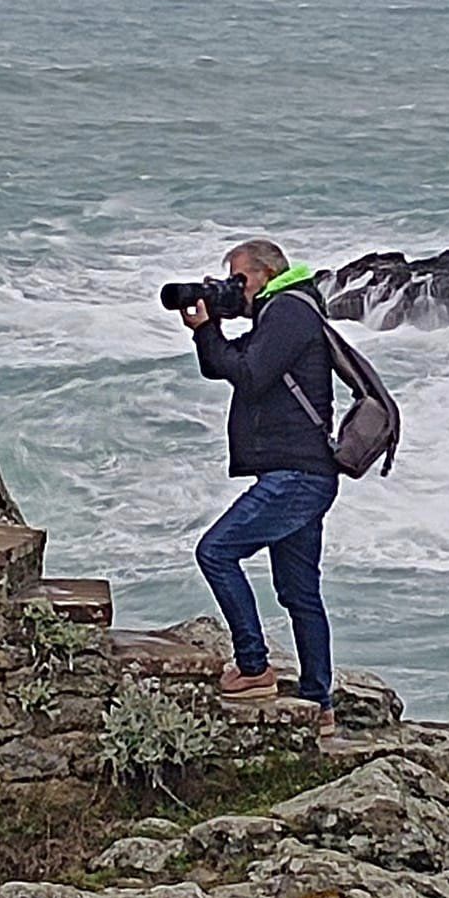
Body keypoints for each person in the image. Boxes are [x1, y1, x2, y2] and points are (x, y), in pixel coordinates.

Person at [178, 237, 341, 737]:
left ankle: (253, 668)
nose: (235, 287)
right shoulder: (279, 314)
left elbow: (249, 377)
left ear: (268, 273)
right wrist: (209, 326)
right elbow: (220, 365)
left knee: (216, 552)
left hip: (297, 475)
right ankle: (319, 702)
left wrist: (214, 327)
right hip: (300, 474)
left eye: (239, 278)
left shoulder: (289, 311)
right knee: (298, 591)